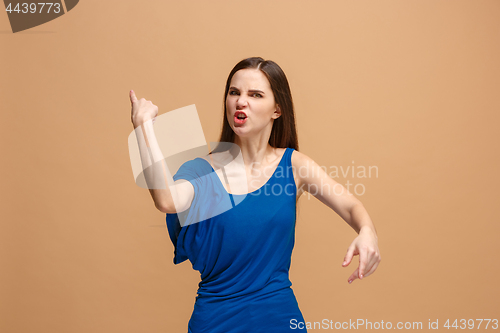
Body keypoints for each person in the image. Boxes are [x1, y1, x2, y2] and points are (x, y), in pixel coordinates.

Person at [129, 57, 381, 332]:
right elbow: (166, 200)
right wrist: (143, 128)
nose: (241, 102)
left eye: (255, 95)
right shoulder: (201, 171)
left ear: (277, 109)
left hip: (279, 319)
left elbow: (350, 206)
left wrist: (368, 231)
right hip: (215, 322)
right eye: (234, 92)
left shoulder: (294, 166)